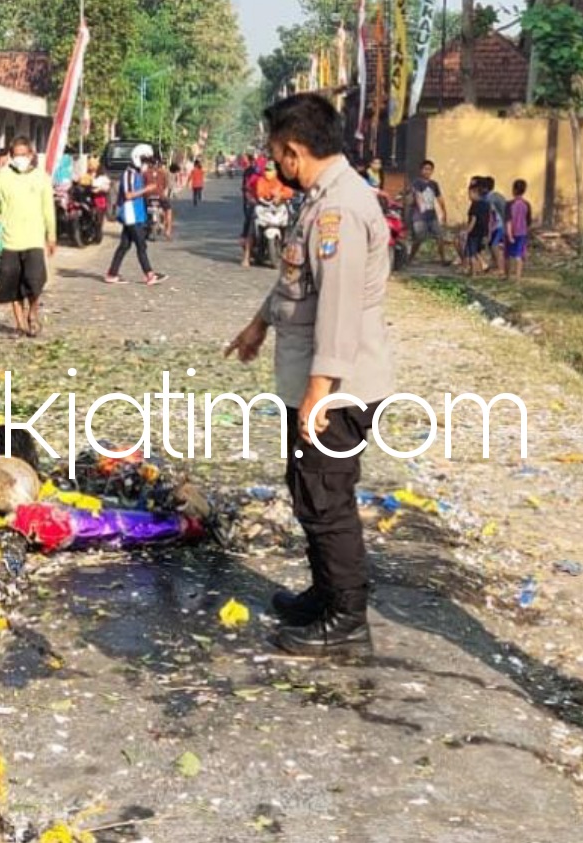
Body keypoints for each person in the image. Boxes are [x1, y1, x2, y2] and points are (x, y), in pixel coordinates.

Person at [224, 93, 393, 658]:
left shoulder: (339, 210)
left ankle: (347, 618)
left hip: (336, 393)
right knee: (309, 492)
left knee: (326, 499)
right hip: (318, 387)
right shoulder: (321, 199)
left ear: (294, 151)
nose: (275, 165)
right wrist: (257, 325)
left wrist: (318, 395)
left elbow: (339, 309)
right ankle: (325, 596)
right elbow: (297, 284)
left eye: (276, 154)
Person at [0, 136, 56, 338]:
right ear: (11, 157)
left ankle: (33, 312)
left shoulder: (41, 178)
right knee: (12, 285)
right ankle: (20, 324)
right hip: (10, 241)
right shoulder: (4, 176)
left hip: (34, 240)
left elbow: (48, 208)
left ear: (31, 155)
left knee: (35, 281)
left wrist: (52, 235)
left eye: (24, 154)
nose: (21, 158)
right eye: (16, 155)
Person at [104, 144, 166, 286]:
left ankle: (112, 274)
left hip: (136, 214)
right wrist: (146, 189)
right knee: (141, 245)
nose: (147, 165)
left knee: (124, 245)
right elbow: (128, 194)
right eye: (145, 161)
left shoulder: (136, 173)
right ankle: (150, 274)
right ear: (138, 159)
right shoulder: (129, 174)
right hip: (130, 214)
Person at [408, 160, 456, 266]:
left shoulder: (434, 184)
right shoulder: (417, 182)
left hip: (432, 215)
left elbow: (439, 198)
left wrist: (444, 212)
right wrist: (421, 209)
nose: (427, 171)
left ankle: (443, 259)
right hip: (419, 216)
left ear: (432, 171)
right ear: (421, 170)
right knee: (419, 237)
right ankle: (410, 259)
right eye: (425, 169)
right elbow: (417, 196)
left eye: (429, 169)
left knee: (439, 235)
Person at [504, 179, 532, 280]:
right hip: (522, 233)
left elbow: (508, 220)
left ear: (514, 190)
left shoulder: (509, 204)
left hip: (511, 232)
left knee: (507, 255)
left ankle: (507, 276)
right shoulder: (527, 204)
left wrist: (509, 234)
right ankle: (518, 277)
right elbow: (528, 221)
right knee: (519, 255)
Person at [463, 178, 491, 276]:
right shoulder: (486, 205)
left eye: (469, 194)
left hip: (474, 233)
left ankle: (473, 273)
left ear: (475, 193)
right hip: (483, 232)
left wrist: (467, 231)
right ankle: (482, 267)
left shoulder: (474, 205)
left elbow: (473, 220)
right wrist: (488, 232)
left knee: (471, 253)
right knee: (477, 252)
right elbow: (489, 219)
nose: (469, 196)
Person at [483, 176, 509, 275]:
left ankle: (500, 268)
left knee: (494, 245)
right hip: (500, 224)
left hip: (499, 225)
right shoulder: (497, 196)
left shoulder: (489, 199)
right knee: (491, 245)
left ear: (485, 187)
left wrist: (489, 230)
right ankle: (494, 265)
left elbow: (491, 215)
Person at [150, 157, 175, 240]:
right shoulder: (163, 173)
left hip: (148, 197)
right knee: (169, 211)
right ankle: (167, 231)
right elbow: (165, 186)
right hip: (160, 196)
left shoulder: (145, 173)